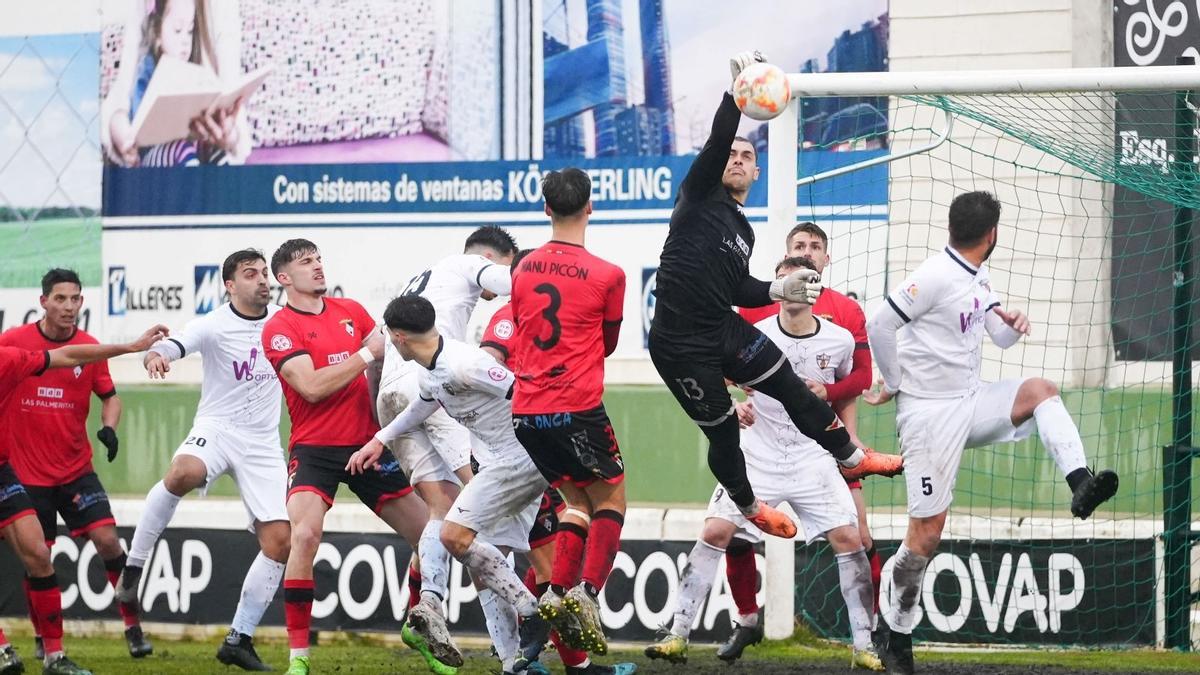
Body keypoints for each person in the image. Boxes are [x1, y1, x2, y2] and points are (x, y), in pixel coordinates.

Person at [647, 52, 902, 543]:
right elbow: (721, 137)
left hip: (719, 326)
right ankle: (749, 506)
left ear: (756, 173)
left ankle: (852, 456)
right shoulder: (697, 197)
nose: (736, 160)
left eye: (747, 157)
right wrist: (736, 92)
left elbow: (736, 288)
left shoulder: (742, 229)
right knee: (723, 433)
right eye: (731, 155)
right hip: (679, 345)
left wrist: (776, 289)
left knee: (786, 379)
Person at [864, 191, 1120, 675]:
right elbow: (879, 323)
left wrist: (1013, 324)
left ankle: (1079, 483)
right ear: (992, 235)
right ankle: (894, 627)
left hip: (971, 400)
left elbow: (994, 333)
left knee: (1041, 389)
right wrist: (895, 383)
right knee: (925, 536)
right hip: (929, 416)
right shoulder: (936, 275)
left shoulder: (977, 273)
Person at [645, 257, 883, 671]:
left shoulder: (840, 340)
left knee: (851, 540)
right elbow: (713, 375)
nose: (793, 287)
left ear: (815, 287)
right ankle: (677, 632)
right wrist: (732, 407)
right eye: (785, 280)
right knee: (717, 529)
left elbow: (848, 391)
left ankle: (865, 644)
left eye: (802, 281)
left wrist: (843, 428)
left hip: (813, 456)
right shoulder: (751, 335)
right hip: (759, 452)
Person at [261, 239, 433, 675]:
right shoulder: (279, 327)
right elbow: (312, 387)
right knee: (304, 536)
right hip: (314, 450)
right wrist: (363, 354)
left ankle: (418, 625)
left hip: (366, 445)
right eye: (306, 262)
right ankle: (298, 657)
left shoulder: (351, 311)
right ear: (284, 278)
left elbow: (389, 358)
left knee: (430, 537)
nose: (318, 267)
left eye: (319, 259)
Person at [113, 249, 289, 671]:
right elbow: (174, 345)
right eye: (251, 274)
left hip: (263, 442)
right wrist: (155, 356)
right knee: (183, 471)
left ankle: (238, 639)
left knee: (280, 542)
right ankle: (133, 571)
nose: (263, 280)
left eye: (265, 273)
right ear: (230, 285)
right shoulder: (213, 323)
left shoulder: (285, 322)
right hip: (218, 427)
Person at [728, 222, 884, 656]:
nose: (808, 252)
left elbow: (863, 377)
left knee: (859, 536)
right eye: (800, 245)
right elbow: (721, 366)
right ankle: (746, 620)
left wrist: (828, 395)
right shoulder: (756, 311)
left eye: (816, 246)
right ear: (787, 254)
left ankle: (873, 631)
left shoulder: (846, 312)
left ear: (826, 258)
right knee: (737, 533)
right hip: (766, 442)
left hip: (828, 444)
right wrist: (732, 403)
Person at [376, 225, 518, 670]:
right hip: (429, 389)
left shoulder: (421, 280)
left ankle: (430, 605)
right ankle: (516, 649)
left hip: (392, 397)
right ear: (493, 258)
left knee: (443, 510)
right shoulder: (469, 265)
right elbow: (515, 285)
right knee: (481, 517)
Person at [0, 269, 151, 663]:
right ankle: (30, 642)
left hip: (73, 470)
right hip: (26, 473)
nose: (69, 307)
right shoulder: (13, 341)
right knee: (39, 555)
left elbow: (98, 387)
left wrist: (108, 428)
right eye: (61, 299)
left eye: (75, 299)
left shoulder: (33, 354)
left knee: (105, 542)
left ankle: (130, 629)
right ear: (44, 301)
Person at [508, 168, 627, 657]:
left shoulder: (522, 268)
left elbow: (519, 326)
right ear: (591, 207)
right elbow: (610, 343)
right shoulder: (609, 275)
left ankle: (556, 591)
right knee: (612, 501)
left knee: (575, 502)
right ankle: (587, 593)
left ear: (546, 209)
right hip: (575, 406)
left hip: (526, 412)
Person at [102, 0, 249, 166]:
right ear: (157, 35)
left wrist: (229, 135)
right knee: (181, 148)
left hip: (198, 146)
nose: (186, 40)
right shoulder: (148, 69)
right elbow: (125, 90)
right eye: (178, 31)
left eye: (190, 31)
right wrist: (117, 121)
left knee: (214, 153)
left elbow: (229, 85)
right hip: (157, 153)